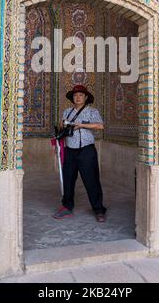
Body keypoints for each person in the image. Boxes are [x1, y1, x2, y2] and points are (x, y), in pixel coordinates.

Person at [53, 84, 107, 222]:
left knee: (91, 180)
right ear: (72, 98)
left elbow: (100, 126)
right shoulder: (67, 112)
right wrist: (61, 127)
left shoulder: (92, 111)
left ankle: (99, 209)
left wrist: (81, 125)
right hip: (70, 150)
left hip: (86, 151)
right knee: (68, 179)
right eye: (75, 95)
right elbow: (62, 126)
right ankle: (67, 207)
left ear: (86, 97)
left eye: (81, 95)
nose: (78, 97)